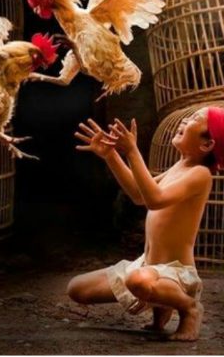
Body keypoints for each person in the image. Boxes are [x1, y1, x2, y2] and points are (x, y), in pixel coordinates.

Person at [68, 108, 224, 341]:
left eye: (194, 119)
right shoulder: (179, 167)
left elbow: (155, 200)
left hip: (176, 273)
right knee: (77, 289)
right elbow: (139, 195)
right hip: (147, 267)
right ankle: (161, 306)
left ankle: (189, 307)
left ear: (207, 145)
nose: (184, 119)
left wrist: (132, 151)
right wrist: (111, 155)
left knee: (138, 280)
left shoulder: (200, 174)